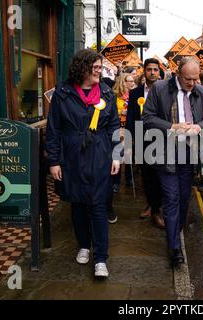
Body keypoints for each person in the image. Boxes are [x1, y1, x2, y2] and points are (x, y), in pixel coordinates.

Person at [46, 49, 120, 278]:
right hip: (72, 157)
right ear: (82, 68)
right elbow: (54, 129)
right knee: (77, 204)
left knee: (98, 205)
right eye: (95, 67)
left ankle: (100, 258)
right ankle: (84, 246)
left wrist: (117, 155)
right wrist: (54, 160)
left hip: (99, 155)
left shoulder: (107, 94)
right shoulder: (62, 93)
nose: (100, 71)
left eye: (100, 67)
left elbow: (114, 127)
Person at [143, 57, 203, 266]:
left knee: (184, 198)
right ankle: (174, 247)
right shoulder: (159, 88)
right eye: (188, 79)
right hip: (165, 151)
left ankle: (176, 229)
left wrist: (198, 126)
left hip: (189, 153)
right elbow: (147, 118)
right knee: (171, 198)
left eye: (195, 79)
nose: (192, 83)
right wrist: (172, 127)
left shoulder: (201, 92)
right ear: (177, 73)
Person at [126, 58, 165, 229]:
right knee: (147, 176)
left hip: (162, 140)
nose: (152, 72)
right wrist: (129, 142)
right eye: (149, 69)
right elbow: (130, 119)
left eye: (155, 69)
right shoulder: (135, 93)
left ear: (159, 71)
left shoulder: (166, 91)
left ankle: (157, 209)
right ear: (145, 71)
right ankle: (151, 205)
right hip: (142, 140)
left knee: (159, 175)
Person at [111, 73, 136, 195]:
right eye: (129, 81)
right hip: (118, 128)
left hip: (130, 128)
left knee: (128, 154)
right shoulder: (116, 96)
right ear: (123, 82)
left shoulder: (135, 95)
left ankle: (129, 179)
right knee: (118, 154)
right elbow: (112, 113)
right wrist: (122, 112)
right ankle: (115, 182)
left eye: (133, 81)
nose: (132, 83)